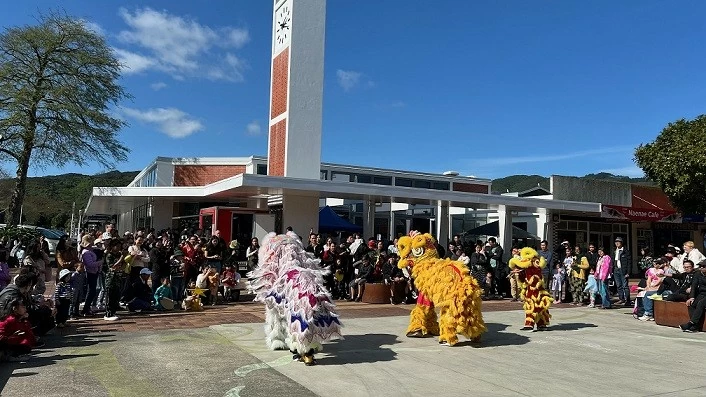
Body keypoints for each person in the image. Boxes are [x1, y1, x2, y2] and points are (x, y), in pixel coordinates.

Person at [247, 232, 342, 366]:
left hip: (295, 290)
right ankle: (300, 348)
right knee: (297, 319)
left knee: (294, 318)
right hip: (296, 289)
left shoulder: (283, 259)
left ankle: (300, 348)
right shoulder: (298, 260)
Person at [680, 259, 706, 332]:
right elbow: (694, 285)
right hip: (702, 293)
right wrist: (691, 297)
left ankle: (691, 323)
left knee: (701, 303)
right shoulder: (697, 274)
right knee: (691, 303)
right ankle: (695, 326)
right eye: (700, 266)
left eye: (703, 266)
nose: (701, 268)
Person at [613, 237, 632, 307]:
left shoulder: (625, 251)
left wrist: (628, 272)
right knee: (618, 285)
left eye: (619, 242)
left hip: (623, 270)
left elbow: (629, 262)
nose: (617, 243)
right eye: (616, 242)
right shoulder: (615, 251)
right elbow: (613, 260)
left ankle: (628, 300)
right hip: (616, 269)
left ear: (621, 243)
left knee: (625, 286)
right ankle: (621, 299)